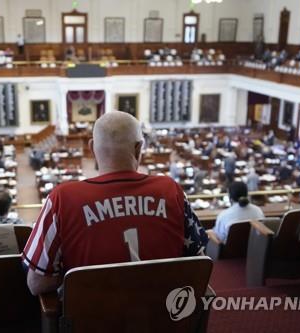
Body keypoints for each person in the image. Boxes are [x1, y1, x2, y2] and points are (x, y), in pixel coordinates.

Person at [22, 111, 208, 296]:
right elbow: (199, 263)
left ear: (93, 147)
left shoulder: (62, 198)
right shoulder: (171, 190)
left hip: (92, 322)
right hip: (165, 318)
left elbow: (36, 283)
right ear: (138, 148)